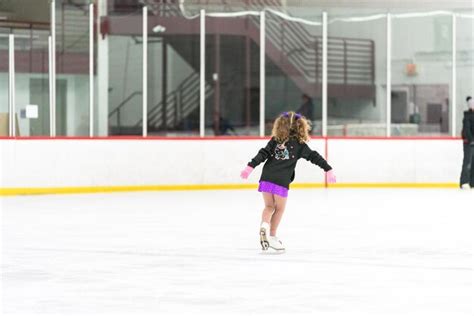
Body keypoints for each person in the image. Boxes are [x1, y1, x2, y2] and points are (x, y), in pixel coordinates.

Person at [240, 111, 336, 251]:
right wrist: (328, 169)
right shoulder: (300, 145)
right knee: (279, 209)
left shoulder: (275, 140)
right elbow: (314, 157)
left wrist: (250, 167)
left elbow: (263, 153)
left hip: (266, 178)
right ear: (300, 127)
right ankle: (272, 236)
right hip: (281, 181)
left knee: (269, 207)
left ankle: (264, 226)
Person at [460, 96, 474, 189]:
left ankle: (472, 182)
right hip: (469, 143)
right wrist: (472, 140)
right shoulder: (467, 116)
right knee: (468, 162)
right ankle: (464, 181)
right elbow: (466, 130)